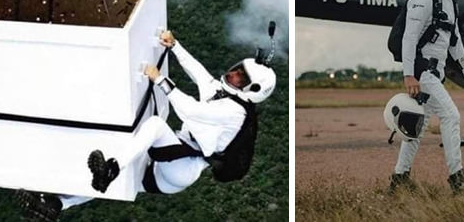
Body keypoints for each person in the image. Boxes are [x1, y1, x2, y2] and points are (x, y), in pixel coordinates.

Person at [17, 30, 276, 221]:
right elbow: (199, 73)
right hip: (174, 169)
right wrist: (175, 45)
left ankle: (111, 167)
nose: (233, 75)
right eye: (237, 69)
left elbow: (189, 109)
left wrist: (160, 78)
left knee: (153, 126)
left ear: (252, 90)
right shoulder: (225, 92)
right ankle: (55, 206)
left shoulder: (234, 112)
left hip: (182, 166)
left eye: (241, 77)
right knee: (122, 181)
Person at [390, 0, 464, 194]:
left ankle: (398, 180)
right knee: (451, 116)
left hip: (434, 74)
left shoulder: (451, 2)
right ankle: (457, 178)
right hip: (423, 74)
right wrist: (409, 75)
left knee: (415, 129)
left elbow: (455, 39)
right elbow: (409, 38)